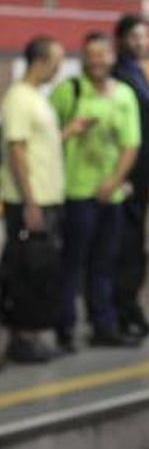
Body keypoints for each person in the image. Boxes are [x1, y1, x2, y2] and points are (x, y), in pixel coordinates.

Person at [51, 32, 141, 350]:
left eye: (102, 55)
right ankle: (65, 327)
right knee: (72, 263)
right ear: (83, 58)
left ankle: (103, 324)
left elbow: (131, 144)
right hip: (76, 193)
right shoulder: (69, 92)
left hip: (111, 195)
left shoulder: (125, 96)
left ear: (112, 57)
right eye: (90, 55)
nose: (97, 61)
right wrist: (70, 130)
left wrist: (114, 180)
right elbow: (46, 141)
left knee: (104, 262)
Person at [0, 37, 73, 362]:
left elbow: (39, 145)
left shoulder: (36, 98)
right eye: (57, 61)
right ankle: (22, 339)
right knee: (27, 270)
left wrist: (69, 132)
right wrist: (30, 203)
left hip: (45, 199)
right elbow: (17, 151)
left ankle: (29, 335)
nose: (59, 68)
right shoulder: (18, 99)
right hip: (30, 202)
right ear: (40, 61)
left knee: (40, 270)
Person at [111, 14, 149, 337]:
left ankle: (133, 309)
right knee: (125, 245)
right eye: (135, 37)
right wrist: (125, 175)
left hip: (144, 174)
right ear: (120, 40)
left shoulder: (138, 73)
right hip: (129, 176)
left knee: (136, 244)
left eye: (145, 37)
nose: (141, 43)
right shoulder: (119, 75)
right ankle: (121, 312)